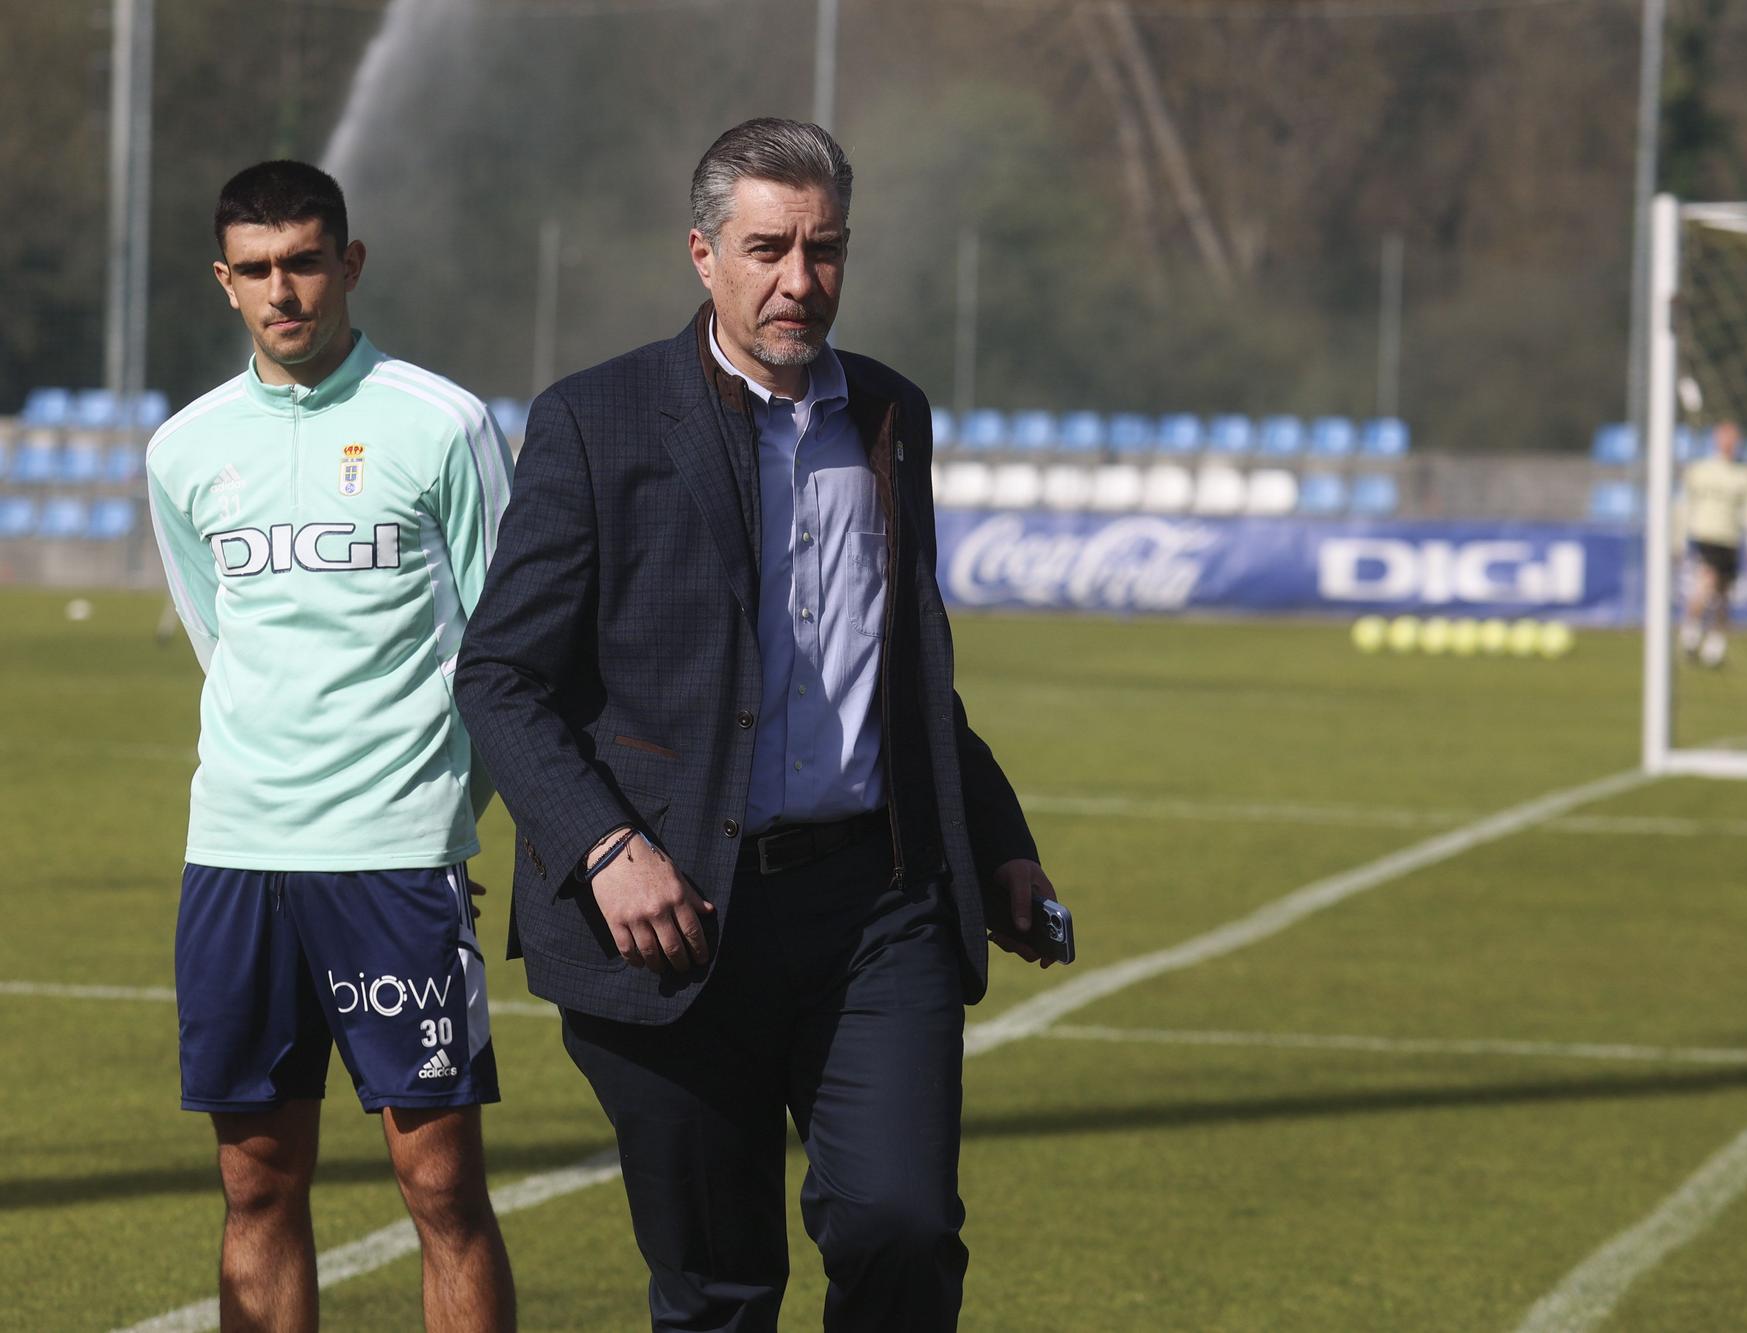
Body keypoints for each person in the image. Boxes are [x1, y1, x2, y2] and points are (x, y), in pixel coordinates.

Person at [455, 117, 1063, 1331]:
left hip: (873, 908)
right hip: (673, 922)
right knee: (717, 1291)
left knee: (900, 1229)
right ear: (702, 254)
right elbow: (501, 676)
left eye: (824, 250)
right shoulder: (595, 421)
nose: (799, 282)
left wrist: (997, 839)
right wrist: (603, 848)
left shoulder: (891, 414)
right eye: (767, 249)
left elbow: (911, 675)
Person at [145, 160, 517, 1331]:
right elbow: (218, 635)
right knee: (255, 1181)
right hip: (238, 858)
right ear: (224, 282)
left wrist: (445, 807)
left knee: (441, 1183)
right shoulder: (181, 450)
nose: (282, 291)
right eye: (255, 270)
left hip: (396, 862)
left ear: (348, 264)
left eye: (304, 261)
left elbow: (509, 647)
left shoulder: (443, 423)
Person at [1677, 418, 1747, 668]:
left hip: (1731, 539)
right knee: (1707, 581)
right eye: (1725, 437)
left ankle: (1716, 643)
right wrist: (1680, 538)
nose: (1728, 443)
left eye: (1733, 438)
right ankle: (1691, 630)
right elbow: (1684, 505)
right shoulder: (1700, 470)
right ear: (1716, 440)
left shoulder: (1744, 474)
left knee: (1724, 594)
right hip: (1706, 535)